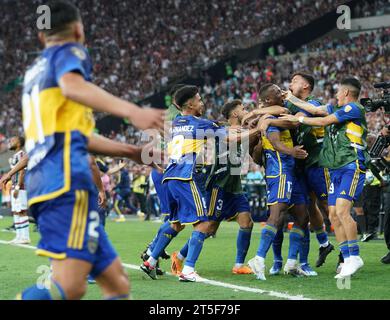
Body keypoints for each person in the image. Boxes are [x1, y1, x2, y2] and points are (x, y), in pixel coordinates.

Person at [17, 0, 164, 300]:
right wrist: (132, 111)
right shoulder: (69, 51)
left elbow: (75, 136)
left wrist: (132, 152)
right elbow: (73, 86)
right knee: (69, 286)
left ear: (41, 36)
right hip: (65, 181)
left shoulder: (34, 74)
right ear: (78, 30)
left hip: (48, 181)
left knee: (117, 283)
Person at [281, 77, 369, 278]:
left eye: (338, 92)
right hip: (335, 168)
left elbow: (322, 121)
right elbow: (316, 110)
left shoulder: (354, 109)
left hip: (351, 165)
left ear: (346, 93)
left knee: (342, 211)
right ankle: (346, 258)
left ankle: (355, 256)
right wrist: (292, 99)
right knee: (332, 214)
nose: (336, 95)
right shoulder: (335, 108)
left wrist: (299, 119)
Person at [171, 99, 258, 276]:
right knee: (209, 227)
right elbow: (234, 135)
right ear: (234, 114)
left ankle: (239, 264)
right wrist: (258, 127)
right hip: (218, 184)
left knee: (247, 221)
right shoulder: (224, 131)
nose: (245, 110)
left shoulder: (239, 130)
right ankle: (179, 257)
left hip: (234, 185)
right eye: (242, 108)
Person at [247, 84, 310, 280]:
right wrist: (293, 151)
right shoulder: (270, 119)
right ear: (267, 100)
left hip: (290, 170)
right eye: (277, 92)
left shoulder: (272, 115)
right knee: (277, 213)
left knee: (302, 215)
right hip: (280, 169)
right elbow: (275, 142)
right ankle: (258, 258)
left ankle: (291, 263)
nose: (282, 93)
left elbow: (292, 121)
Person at [8, 136, 30, 244]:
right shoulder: (14, 156)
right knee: (16, 212)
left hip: (20, 188)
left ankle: (25, 237)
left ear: (19, 143)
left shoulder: (22, 154)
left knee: (21, 211)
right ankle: (19, 236)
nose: (10, 141)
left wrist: (17, 186)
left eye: (13, 140)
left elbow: (22, 172)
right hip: (14, 187)